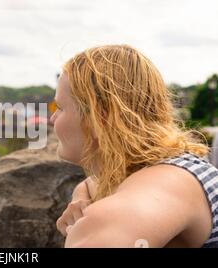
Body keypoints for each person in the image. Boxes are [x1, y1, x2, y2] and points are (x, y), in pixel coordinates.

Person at [51, 44, 218, 248]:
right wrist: (81, 196)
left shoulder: (151, 194)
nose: (52, 118)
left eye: (60, 108)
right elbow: (92, 182)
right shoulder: (169, 167)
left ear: (98, 119)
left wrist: (91, 225)